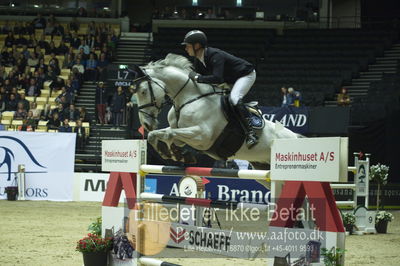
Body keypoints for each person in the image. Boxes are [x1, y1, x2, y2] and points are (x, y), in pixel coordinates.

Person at [182, 30, 258, 148]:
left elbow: (217, 78)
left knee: (234, 99)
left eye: (187, 45)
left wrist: (197, 77)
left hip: (245, 75)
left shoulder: (215, 55)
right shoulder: (198, 60)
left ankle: (251, 133)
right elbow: (204, 81)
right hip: (230, 79)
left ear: (196, 46)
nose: (186, 48)